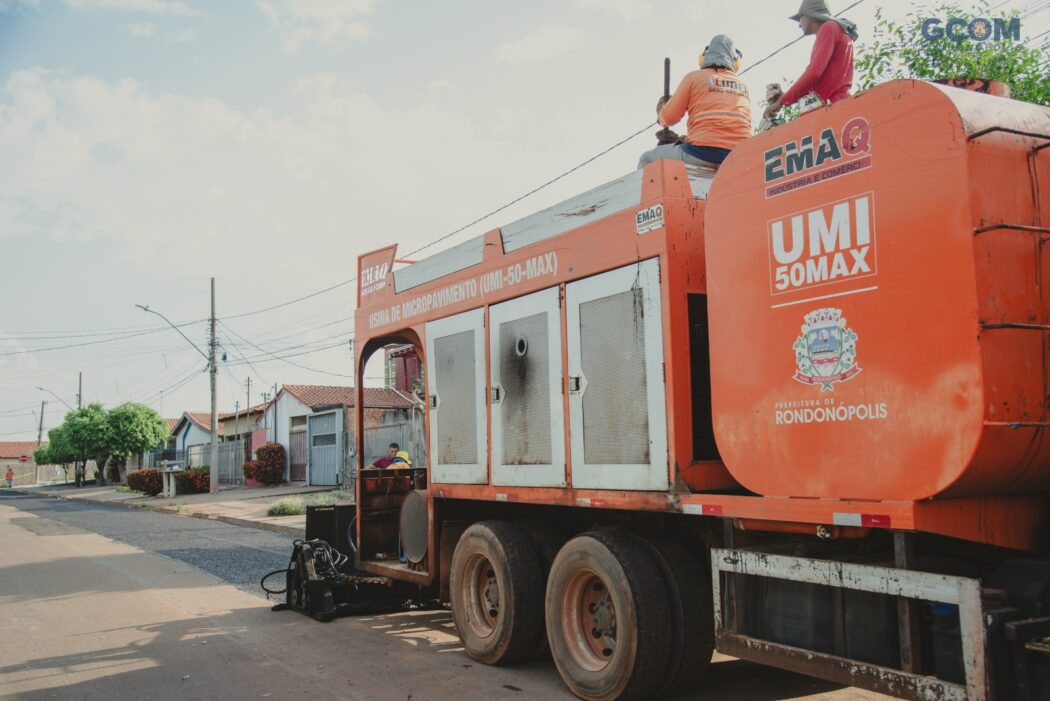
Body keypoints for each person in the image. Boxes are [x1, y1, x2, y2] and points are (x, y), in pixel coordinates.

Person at [654, 34, 751, 169]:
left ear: (704, 57)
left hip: (702, 152)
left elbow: (669, 118)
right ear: (735, 62)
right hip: (738, 156)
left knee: (647, 158)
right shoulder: (743, 86)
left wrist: (661, 112)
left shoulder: (693, 78)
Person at [764, 0, 858, 120]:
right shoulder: (837, 30)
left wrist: (781, 102)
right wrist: (785, 97)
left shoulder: (829, 27)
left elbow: (814, 73)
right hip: (835, 104)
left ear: (810, 15)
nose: (799, 24)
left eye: (800, 18)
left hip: (832, 106)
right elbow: (821, 81)